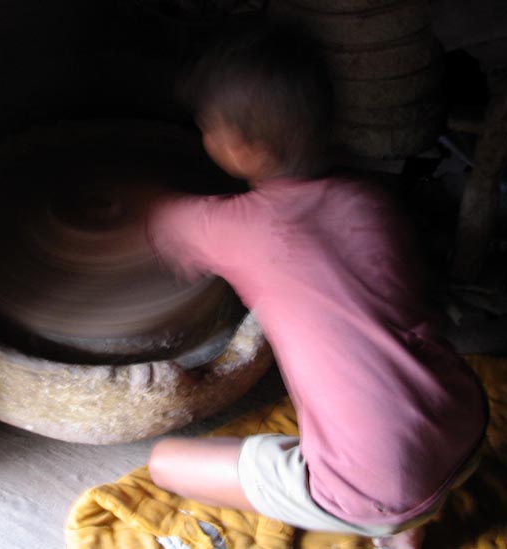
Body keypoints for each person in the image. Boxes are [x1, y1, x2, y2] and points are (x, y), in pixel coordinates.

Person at [144, 24, 488, 549]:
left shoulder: (239, 227)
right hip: (462, 421)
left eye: (207, 127)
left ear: (241, 146)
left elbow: (156, 220)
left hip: (379, 484)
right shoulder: (370, 202)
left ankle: (386, 519)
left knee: (165, 463)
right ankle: (402, 529)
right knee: (385, 430)